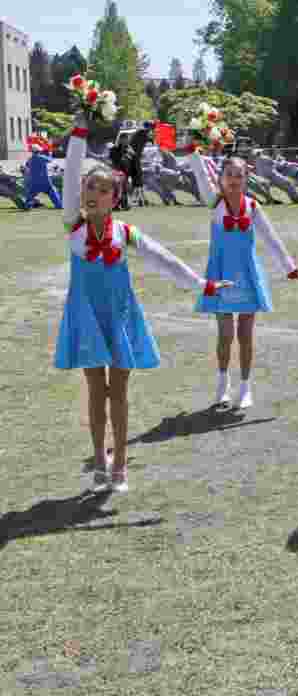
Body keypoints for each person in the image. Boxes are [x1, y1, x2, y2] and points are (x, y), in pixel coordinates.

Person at [56, 113, 233, 492]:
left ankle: (120, 462)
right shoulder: (74, 226)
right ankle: (100, 460)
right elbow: (70, 173)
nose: (92, 193)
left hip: (119, 316)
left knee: (117, 392)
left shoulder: (126, 232)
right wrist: (79, 132)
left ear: (115, 198)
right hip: (86, 316)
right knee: (95, 393)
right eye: (90, 187)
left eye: (103, 189)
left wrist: (203, 284)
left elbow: (164, 259)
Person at [188, 147, 298, 409]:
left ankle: (245, 388)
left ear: (247, 179)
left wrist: (291, 269)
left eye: (240, 175)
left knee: (246, 335)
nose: (234, 180)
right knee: (225, 335)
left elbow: (271, 239)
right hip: (221, 275)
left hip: (247, 275)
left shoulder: (253, 206)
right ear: (221, 178)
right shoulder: (215, 204)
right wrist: (192, 150)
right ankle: (223, 386)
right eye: (229, 175)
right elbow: (200, 176)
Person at [23, 142, 62, 210]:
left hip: (34, 182)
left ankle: (27, 206)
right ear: (39, 151)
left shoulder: (29, 159)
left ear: (32, 151)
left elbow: (26, 166)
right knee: (52, 191)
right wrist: (50, 152)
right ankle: (59, 205)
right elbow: (51, 160)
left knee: (30, 195)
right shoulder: (42, 157)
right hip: (45, 181)